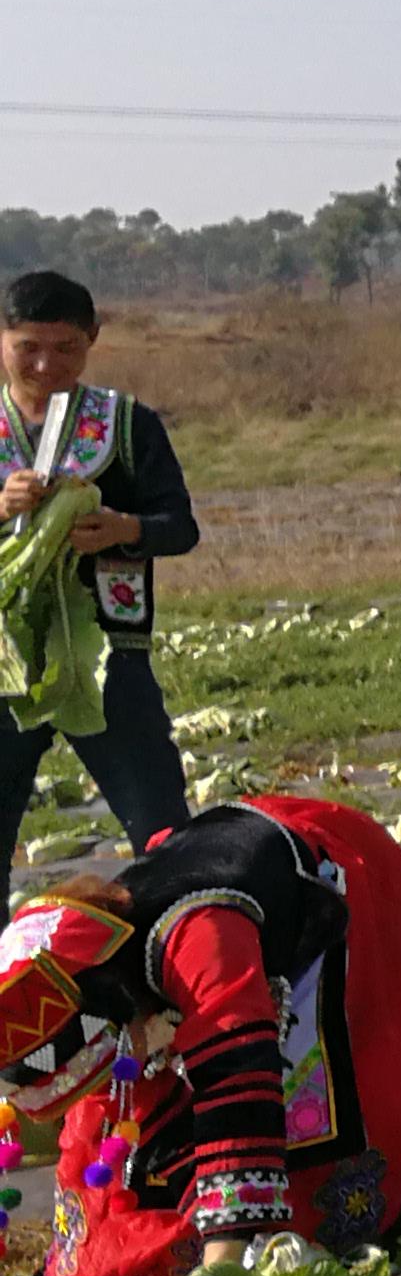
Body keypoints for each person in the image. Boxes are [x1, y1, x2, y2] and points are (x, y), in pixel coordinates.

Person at [0, 794, 401, 1276]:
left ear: (124, 1015)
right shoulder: (80, 952)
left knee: (316, 1150)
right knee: (122, 1116)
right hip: (215, 875)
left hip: (329, 881)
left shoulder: (203, 941)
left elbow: (238, 1098)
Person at [0, 271, 196, 870]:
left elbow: (180, 526)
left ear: (93, 339)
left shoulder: (130, 424)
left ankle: (181, 954)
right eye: (27, 348)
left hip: (109, 655)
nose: (44, 366)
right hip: (4, 662)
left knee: (165, 835)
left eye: (65, 349)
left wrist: (125, 530)